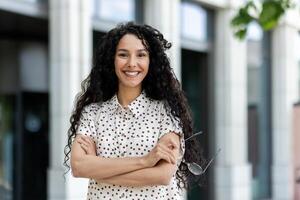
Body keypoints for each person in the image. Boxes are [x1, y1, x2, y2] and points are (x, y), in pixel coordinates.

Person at [64, 22, 204, 200]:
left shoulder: (166, 113)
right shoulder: (92, 113)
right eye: (123, 54)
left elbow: (162, 175)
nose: (132, 63)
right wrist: (145, 161)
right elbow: (78, 167)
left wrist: (99, 168)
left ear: (150, 61)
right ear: (111, 59)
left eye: (141, 55)